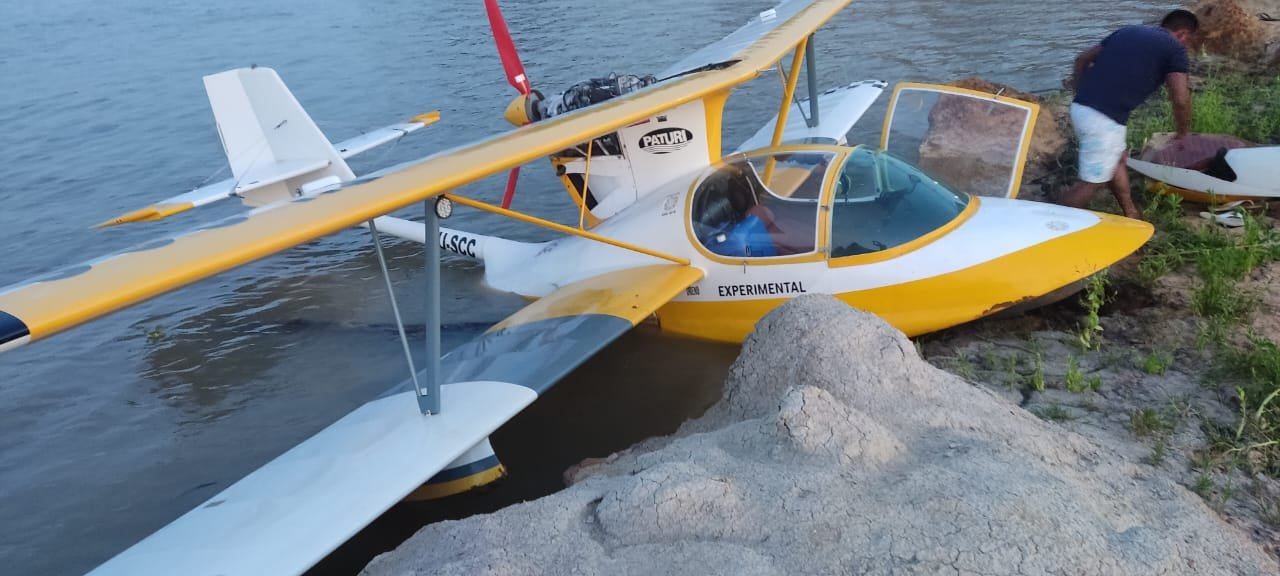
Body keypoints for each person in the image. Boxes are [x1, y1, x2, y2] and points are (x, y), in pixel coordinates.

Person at [1060, 9, 1199, 219]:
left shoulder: (1128, 31)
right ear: (1183, 34)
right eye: (1188, 40)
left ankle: (1131, 213)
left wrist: (1081, 92)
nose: (1186, 45)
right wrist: (1182, 133)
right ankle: (1047, 223)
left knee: (1117, 160)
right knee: (1092, 183)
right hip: (1102, 120)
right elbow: (1180, 98)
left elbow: (1082, 59)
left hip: (1084, 109)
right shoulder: (1174, 48)